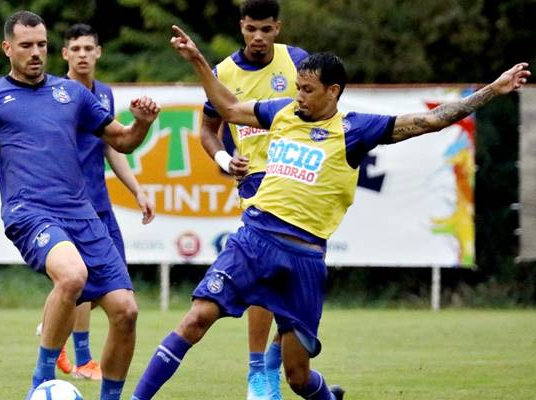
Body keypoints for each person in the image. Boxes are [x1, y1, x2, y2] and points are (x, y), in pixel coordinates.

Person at [129, 26, 530, 400]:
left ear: (332, 91)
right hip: (253, 241)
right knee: (196, 319)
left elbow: (431, 120)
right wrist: (198, 60)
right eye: (297, 88)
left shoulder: (356, 130)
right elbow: (230, 109)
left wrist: (492, 90)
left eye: (307, 90)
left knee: (298, 378)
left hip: (304, 260)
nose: (299, 97)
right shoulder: (281, 112)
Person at [0, 11, 160, 400]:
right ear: (7, 48)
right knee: (72, 276)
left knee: (126, 311)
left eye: (41, 45)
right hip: (29, 213)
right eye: (26, 45)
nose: (35, 53)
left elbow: (123, 141)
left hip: (82, 214)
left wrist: (142, 124)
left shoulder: (73, 94)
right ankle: (41, 380)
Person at [198, 1, 307, 399]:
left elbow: (322, 111)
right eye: (250, 29)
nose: (258, 37)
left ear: (278, 28)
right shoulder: (224, 72)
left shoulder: (298, 62)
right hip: (257, 183)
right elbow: (207, 130)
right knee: (264, 275)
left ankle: (276, 358)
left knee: (297, 280)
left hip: (302, 180)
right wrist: (225, 160)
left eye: (265, 29)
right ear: (241, 27)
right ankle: (258, 371)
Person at [40, 22, 156, 380]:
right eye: (75, 49)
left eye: (88, 48)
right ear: (64, 54)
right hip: (69, 207)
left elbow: (110, 145)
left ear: (98, 52)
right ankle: (83, 359)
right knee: (81, 280)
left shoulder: (103, 94)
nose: (82, 55)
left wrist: (137, 189)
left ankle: (54, 329)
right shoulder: (55, 95)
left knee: (111, 285)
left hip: (100, 204)